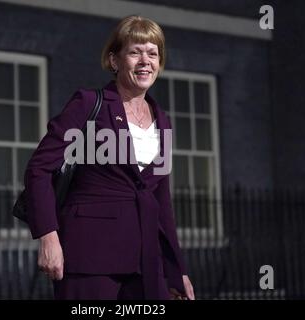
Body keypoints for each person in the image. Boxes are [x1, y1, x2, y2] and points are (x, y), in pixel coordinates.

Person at [24, 15, 195, 300]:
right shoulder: (89, 103)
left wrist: (177, 271)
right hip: (89, 256)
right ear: (115, 61)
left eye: (153, 53)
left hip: (146, 263)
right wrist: (48, 236)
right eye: (135, 52)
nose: (145, 61)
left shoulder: (163, 120)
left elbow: (161, 201)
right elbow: (39, 169)